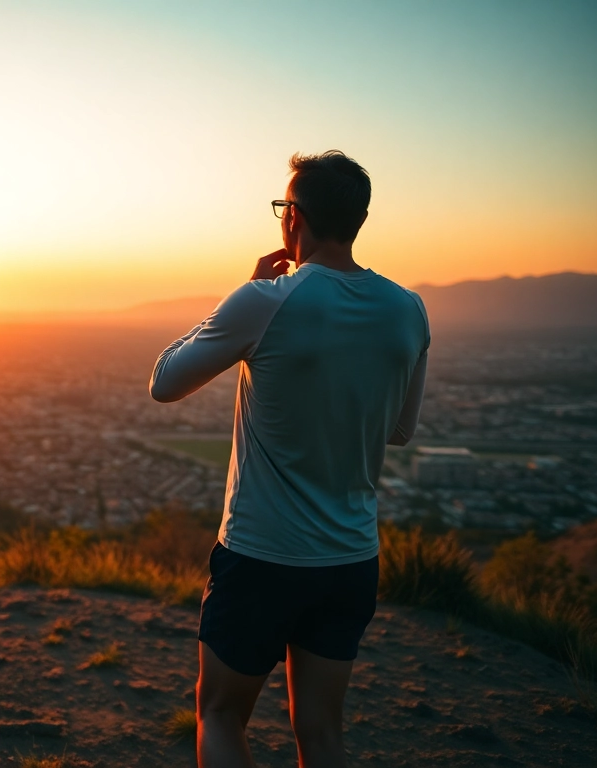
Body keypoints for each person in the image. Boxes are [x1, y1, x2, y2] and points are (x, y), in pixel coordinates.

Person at [148, 151, 429, 768]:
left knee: (220, 716)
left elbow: (166, 381)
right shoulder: (408, 309)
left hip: (262, 554)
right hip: (352, 557)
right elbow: (402, 431)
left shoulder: (266, 300)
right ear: (357, 220)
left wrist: (240, 295)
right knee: (323, 734)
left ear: (292, 219)